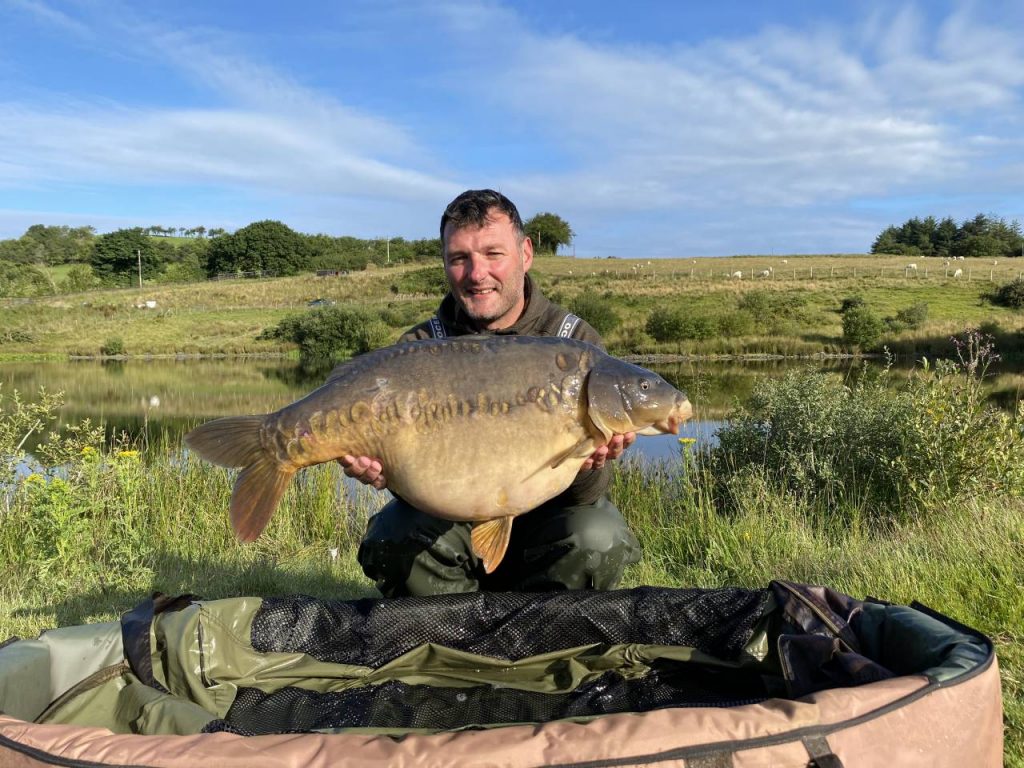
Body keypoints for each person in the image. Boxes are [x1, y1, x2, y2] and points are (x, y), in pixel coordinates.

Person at [341, 189, 640, 597]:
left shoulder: (574, 344)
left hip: (544, 534)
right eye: (460, 258)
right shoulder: (419, 348)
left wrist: (591, 462)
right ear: (445, 263)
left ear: (526, 253)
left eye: (493, 254)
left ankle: (540, 638)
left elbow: (586, 498)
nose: (477, 273)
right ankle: (449, 636)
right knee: (396, 534)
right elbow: (415, 484)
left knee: (597, 533)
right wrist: (386, 471)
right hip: (452, 527)